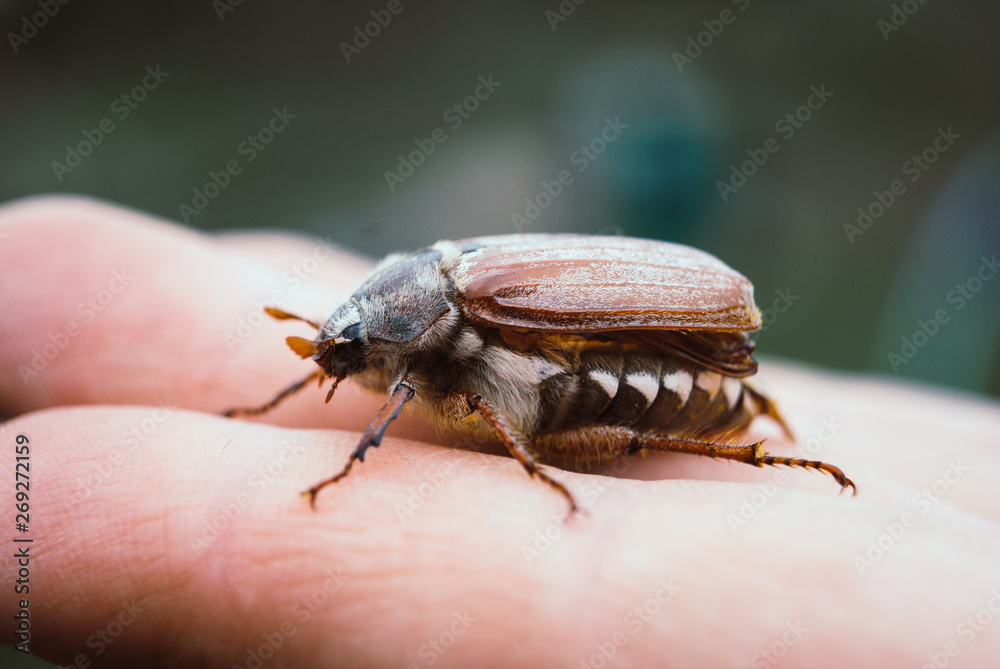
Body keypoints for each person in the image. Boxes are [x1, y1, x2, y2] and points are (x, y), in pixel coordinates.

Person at [2, 196, 998, 668]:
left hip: (650, 351)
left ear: (400, 328)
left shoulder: (460, 310)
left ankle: (757, 453)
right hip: (589, 355)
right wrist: (281, 402)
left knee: (614, 418)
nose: (341, 364)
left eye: (349, 348)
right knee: (589, 411)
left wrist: (363, 457)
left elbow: (410, 389)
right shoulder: (415, 307)